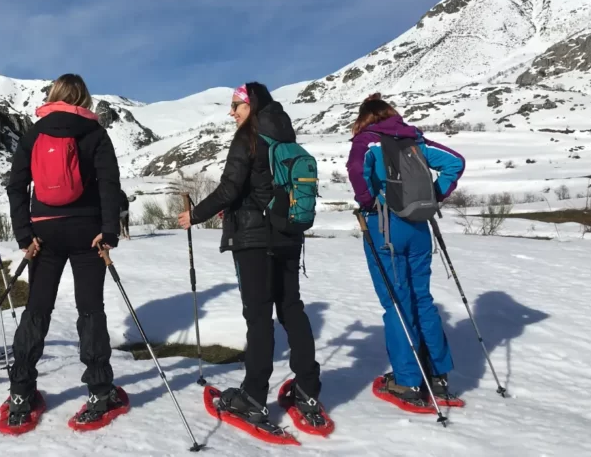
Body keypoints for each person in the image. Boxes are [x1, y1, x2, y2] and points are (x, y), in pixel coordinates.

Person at [177, 82, 329, 431]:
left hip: (254, 241)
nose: (232, 112)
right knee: (292, 309)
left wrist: (195, 215)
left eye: (237, 105)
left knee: (259, 317)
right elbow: (260, 187)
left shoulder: (249, 137)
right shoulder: (285, 137)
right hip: (288, 236)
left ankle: (254, 397)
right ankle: (308, 390)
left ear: (252, 105)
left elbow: (231, 186)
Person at [3, 73, 125, 428]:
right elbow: (109, 185)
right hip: (88, 232)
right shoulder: (95, 133)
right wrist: (108, 232)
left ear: (53, 95)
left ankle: (21, 393)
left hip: (44, 232)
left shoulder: (34, 133)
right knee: (90, 309)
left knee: (37, 309)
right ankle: (100, 391)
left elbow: (16, 186)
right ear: (84, 99)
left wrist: (25, 234)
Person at [345, 93, 465, 408]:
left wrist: (369, 201)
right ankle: (438, 377)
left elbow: (356, 171)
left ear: (366, 118)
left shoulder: (367, 142)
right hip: (419, 226)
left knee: (396, 303)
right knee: (422, 299)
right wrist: (434, 196)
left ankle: (408, 382)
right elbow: (456, 162)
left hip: (385, 227)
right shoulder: (414, 139)